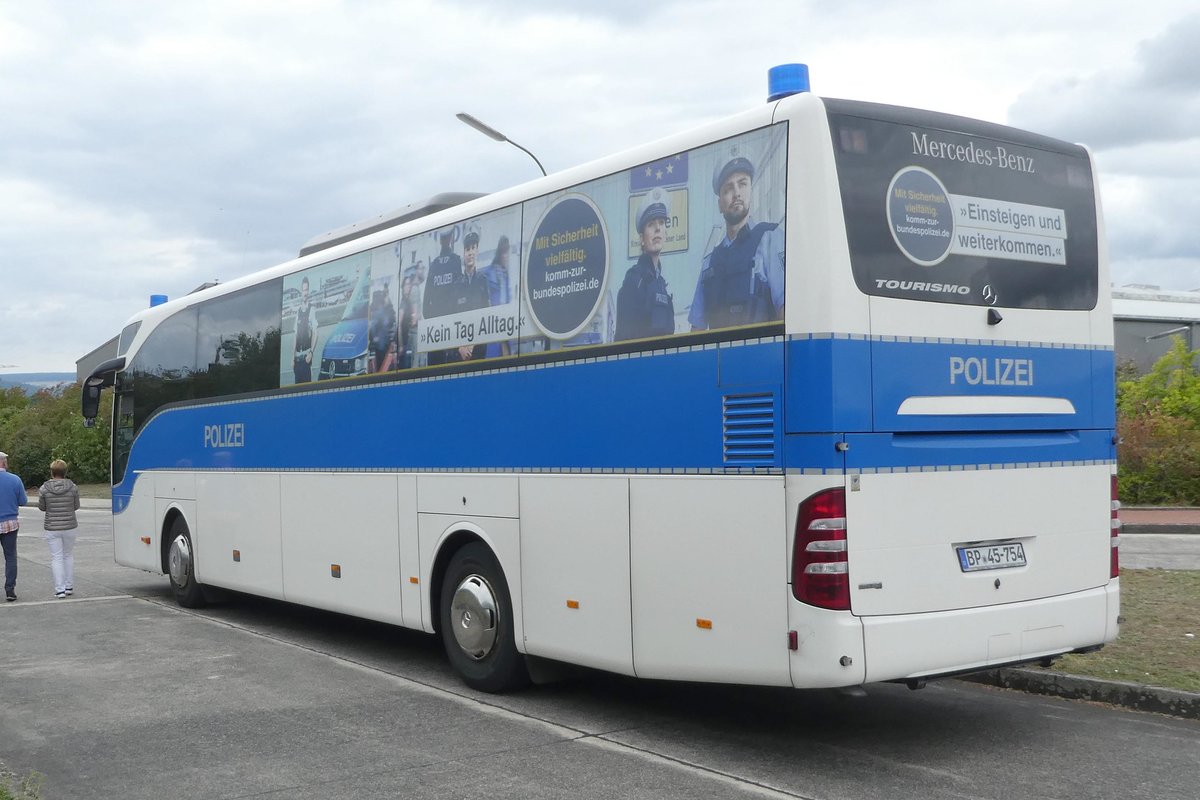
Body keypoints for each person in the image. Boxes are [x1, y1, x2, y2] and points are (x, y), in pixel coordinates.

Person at [688, 148, 785, 331]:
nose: (737, 193)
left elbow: (786, 310)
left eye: (742, 184)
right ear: (719, 204)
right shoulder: (710, 263)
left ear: (750, 190)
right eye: (728, 188)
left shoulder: (770, 240)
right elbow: (697, 329)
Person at [616, 187, 675, 341]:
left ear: (665, 233)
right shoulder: (634, 279)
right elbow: (624, 338)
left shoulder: (661, 284)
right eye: (651, 224)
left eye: (661, 223)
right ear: (642, 238)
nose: (657, 228)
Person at [39, 459, 80, 599]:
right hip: (69, 525)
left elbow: (42, 507)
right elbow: (76, 506)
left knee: (56, 557)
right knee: (68, 555)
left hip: (52, 526)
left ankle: (60, 589)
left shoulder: (44, 488)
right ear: (65, 472)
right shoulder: (73, 487)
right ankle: (69, 586)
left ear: (52, 472)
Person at [451, 230, 491, 361]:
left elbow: (487, 315)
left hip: (478, 349)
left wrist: (473, 343)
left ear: (477, 251)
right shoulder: (456, 284)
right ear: (464, 253)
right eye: (467, 249)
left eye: (473, 248)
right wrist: (460, 347)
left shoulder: (483, 281)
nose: (470, 253)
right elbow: (451, 320)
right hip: (460, 353)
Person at [424, 229, 462, 366]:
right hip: (445, 327)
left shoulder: (435, 264)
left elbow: (425, 305)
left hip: (441, 328)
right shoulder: (454, 261)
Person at [0, 450, 28, 602]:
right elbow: (23, 501)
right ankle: (10, 589)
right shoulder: (15, 479)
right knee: (10, 556)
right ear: (3, 462)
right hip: (10, 523)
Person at [481, 236, 513, 358]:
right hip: (493, 322)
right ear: (499, 253)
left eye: (507, 252)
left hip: (505, 322)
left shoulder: (506, 275)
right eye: (503, 252)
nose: (506, 256)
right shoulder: (489, 273)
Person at [293, 276, 319, 383]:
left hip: (306, 358)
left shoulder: (312, 309)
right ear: (301, 292)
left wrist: (311, 353)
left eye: (307, 289)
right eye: (303, 290)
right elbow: (295, 335)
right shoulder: (298, 311)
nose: (305, 292)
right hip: (297, 360)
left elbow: (315, 333)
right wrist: (292, 357)